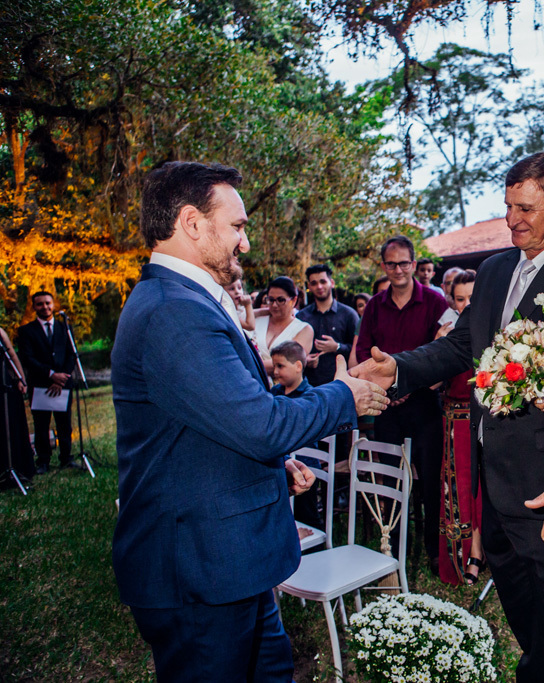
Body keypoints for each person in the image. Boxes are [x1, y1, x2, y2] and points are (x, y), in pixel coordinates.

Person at [352, 152, 544, 682]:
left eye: (527, 208)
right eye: (509, 205)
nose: (513, 219)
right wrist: (397, 369)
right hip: (496, 484)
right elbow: (464, 345)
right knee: (529, 628)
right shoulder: (492, 271)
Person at [110, 161, 387, 683]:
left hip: (230, 560)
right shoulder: (174, 309)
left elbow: (210, 423)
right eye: (236, 226)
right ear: (192, 223)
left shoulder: (183, 300)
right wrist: (345, 394)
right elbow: (259, 423)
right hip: (200, 572)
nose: (245, 242)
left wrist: (271, 467)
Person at [357, 235, 449, 572]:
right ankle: (393, 546)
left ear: (414, 264)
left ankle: (434, 550)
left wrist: (409, 384)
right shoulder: (374, 308)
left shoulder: (435, 303)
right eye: (391, 264)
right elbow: (364, 352)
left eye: (404, 263)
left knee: (429, 481)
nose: (398, 269)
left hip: (424, 403)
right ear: (384, 266)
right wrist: (389, 389)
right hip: (385, 407)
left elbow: (442, 353)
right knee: (391, 480)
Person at [434, 270, 485, 586]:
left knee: (488, 490)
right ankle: (469, 554)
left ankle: (487, 550)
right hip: (457, 420)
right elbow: (433, 384)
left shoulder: (498, 329)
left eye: (472, 298)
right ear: (451, 301)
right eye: (460, 299)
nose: (467, 305)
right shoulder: (446, 332)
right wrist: (439, 349)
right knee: (462, 488)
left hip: (494, 419)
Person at [17, 291, 77, 474]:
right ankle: (43, 461)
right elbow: (27, 358)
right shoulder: (26, 331)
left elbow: (71, 354)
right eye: (40, 304)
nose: (45, 307)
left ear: (54, 304)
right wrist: (51, 375)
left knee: (64, 423)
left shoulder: (64, 327)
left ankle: (66, 458)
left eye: (48, 303)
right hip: (40, 384)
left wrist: (61, 378)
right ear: (34, 306)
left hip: (63, 384)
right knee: (41, 424)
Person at [269, 340, 321, 535]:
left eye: (280, 366)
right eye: (274, 366)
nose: (275, 371)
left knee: (307, 511)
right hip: (282, 459)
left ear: (298, 366)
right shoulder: (274, 392)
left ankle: (315, 545)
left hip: (306, 464)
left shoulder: (309, 395)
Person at [297, 264, 359, 387]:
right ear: (309, 286)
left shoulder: (348, 314)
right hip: (308, 386)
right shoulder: (301, 317)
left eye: (323, 281)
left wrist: (337, 347)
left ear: (332, 282)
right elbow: (293, 351)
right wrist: (305, 359)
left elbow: (358, 349)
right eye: (314, 283)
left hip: (341, 384)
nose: (319, 286)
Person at [253, 276, 313, 376]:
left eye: (281, 300)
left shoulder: (304, 329)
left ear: (293, 300)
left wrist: (248, 366)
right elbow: (235, 318)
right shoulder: (257, 320)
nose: (275, 305)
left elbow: (288, 363)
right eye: (271, 300)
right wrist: (261, 311)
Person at [0, 327, 33, 485]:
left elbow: (11, 354)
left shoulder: (0, 331)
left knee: (10, 425)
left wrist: (21, 378)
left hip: (3, 384)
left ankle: (16, 468)